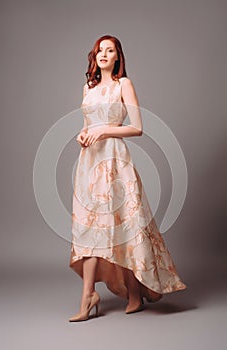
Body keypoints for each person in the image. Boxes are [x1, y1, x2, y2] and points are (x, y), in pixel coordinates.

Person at [69, 35, 186, 322]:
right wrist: (83, 134)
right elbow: (87, 126)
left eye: (110, 50)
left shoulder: (124, 85)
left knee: (124, 224)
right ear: (94, 56)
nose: (103, 54)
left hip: (115, 163)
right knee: (91, 227)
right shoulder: (88, 87)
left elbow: (137, 128)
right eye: (100, 50)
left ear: (118, 57)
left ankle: (133, 293)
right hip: (89, 164)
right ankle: (89, 296)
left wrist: (105, 130)